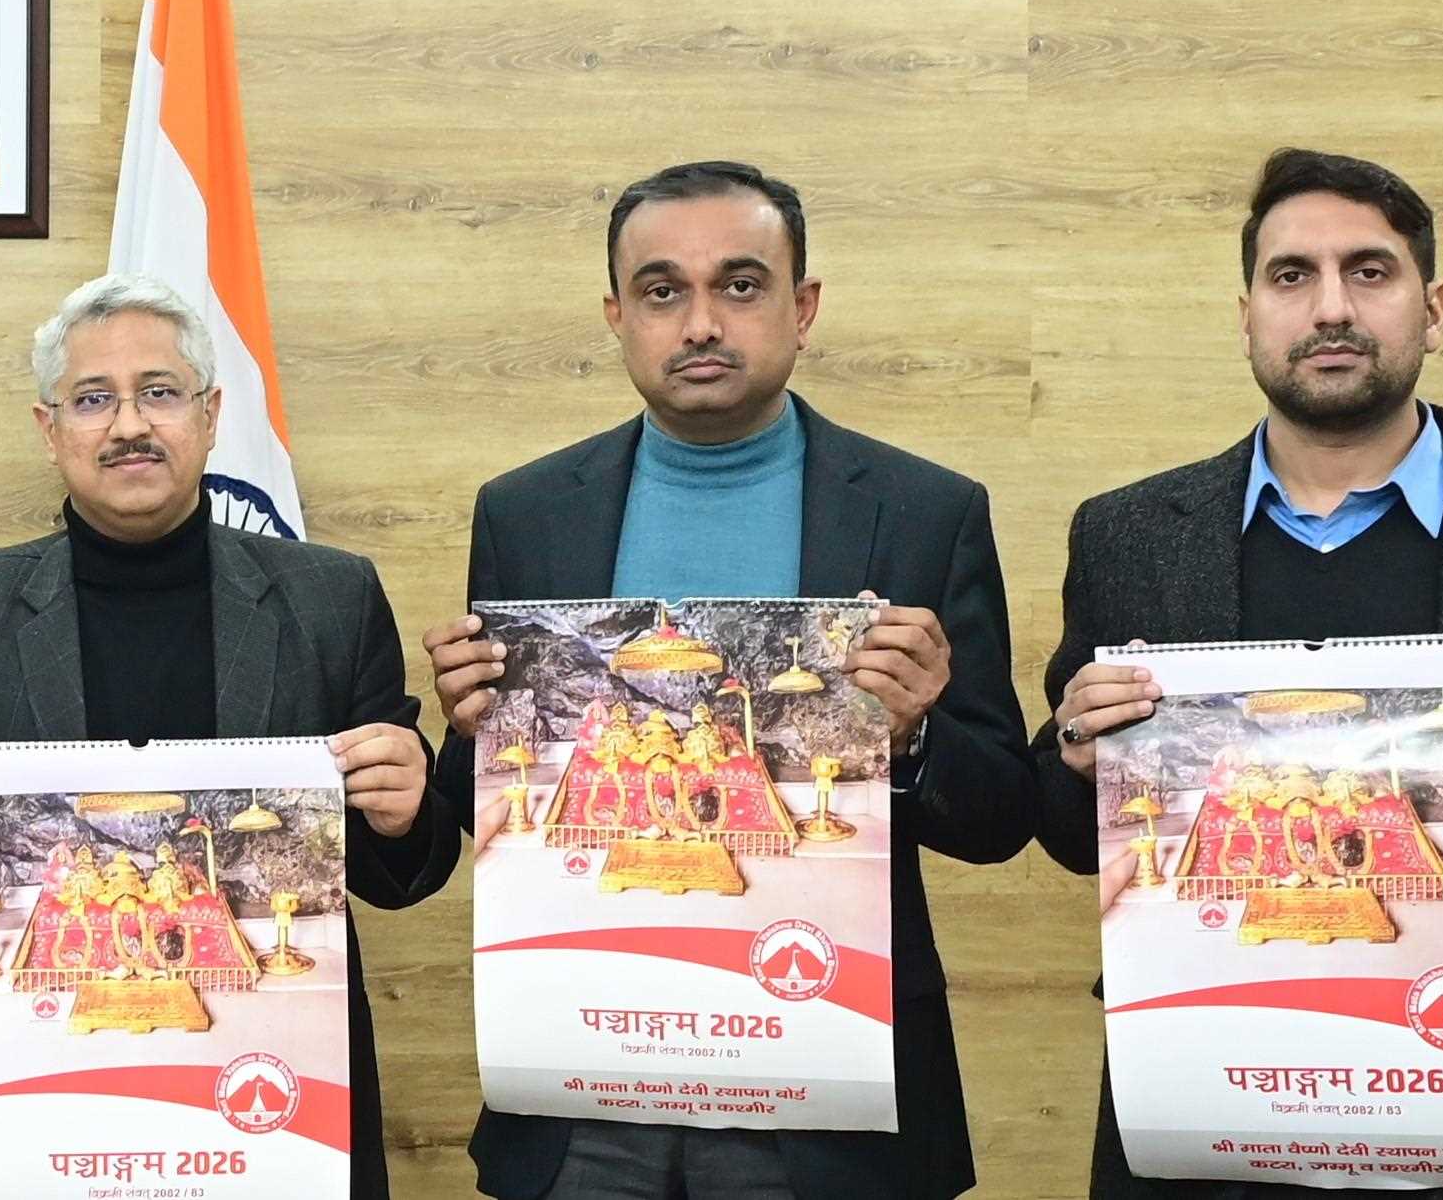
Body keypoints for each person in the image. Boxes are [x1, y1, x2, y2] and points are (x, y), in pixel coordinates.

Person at [1032, 149, 1443, 1198]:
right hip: (1205, 1081)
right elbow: (1061, 832)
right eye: (1291, 276)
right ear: (1247, 316)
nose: (1331, 308)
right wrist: (1076, 756)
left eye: (1369, 271)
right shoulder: (1128, 537)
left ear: (1432, 309)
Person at [417, 161, 1033, 1198]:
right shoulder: (526, 514)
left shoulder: (924, 513)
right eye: (662, 291)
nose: (700, 323)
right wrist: (473, 727)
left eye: (739, 286)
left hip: (828, 1085)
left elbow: (1002, 817)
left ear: (803, 307)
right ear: (617, 317)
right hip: (586, 1077)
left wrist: (915, 735)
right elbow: (479, 813)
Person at [0, 275, 444, 1197]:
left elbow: (407, 874)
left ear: (209, 416)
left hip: (276, 1103)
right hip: (37, 1105)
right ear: (49, 430)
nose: (128, 425)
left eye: (159, 392)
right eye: (91, 399)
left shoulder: (331, 597)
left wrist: (406, 810)